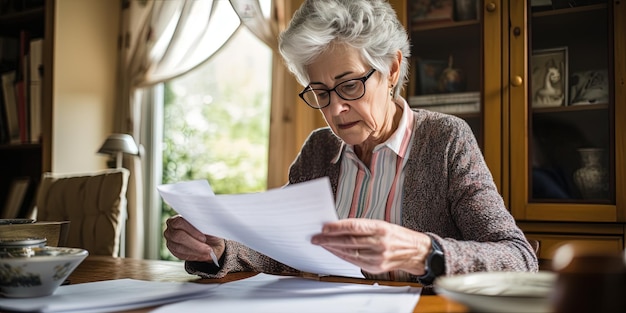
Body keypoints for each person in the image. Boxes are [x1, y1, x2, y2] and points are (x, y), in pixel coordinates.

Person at [164, 0, 538, 285]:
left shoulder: (445, 140)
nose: (336, 108)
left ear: (391, 69)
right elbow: (282, 253)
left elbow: (518, 257)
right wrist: (219, 248)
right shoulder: (319, 151)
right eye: (320, 91)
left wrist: (423, 253)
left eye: (349, 84)